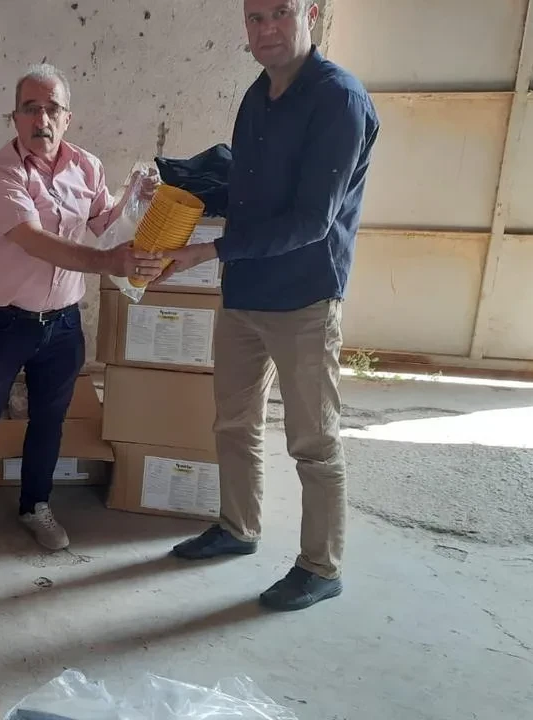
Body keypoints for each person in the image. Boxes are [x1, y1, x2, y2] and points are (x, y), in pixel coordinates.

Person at [155, 0, 379, 611]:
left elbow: (312, 220)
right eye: (255, 18)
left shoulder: (338, 99)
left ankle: (321, 566)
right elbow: (249, 189)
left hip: (304, 297)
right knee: (233, 421)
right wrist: (185, 189)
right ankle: (238, 526)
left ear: (310, 13)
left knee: (313, 440)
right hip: (246, 291)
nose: (267, 28)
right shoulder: (258, 95)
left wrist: (209, 251)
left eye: (280, 12)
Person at [0, 64, 164, 557]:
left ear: (67, 118)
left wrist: (135, 199)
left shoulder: (86, 166)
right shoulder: (0, 174)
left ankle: (35, 505)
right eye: (30, 108)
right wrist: (107, 263)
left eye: (52, 109)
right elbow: (34, 240)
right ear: (15, 117)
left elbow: (104, 222)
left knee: (50, 420)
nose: (41, 119)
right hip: (3, 322)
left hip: (64, 323)